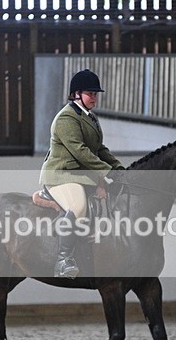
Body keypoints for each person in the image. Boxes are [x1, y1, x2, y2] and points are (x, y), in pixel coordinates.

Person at [40, 69, 124, 278]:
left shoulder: (91, 117)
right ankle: (63, 259)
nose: (94, 97)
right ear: (76, 94)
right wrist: (106, 173)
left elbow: (99, 149)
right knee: (78, 206)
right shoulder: (66, 118)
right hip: (61, 175)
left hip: (79, 174)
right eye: (90, 93)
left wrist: (119, 169)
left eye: (95, 94)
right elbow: (80, 152)